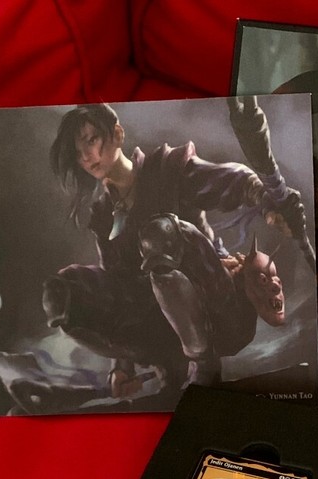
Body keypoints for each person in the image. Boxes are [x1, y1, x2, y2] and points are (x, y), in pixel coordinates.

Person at [49, 103, 290, 390]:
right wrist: (121, 367)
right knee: (61, 292)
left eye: (91, 140)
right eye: (78, 153)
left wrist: (266, 200)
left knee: (159, 232)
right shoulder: (104, 215)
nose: (86, 157)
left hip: (219, 313)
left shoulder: (166, 169)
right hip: (160, 334)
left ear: (117, 134)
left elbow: (229, 180)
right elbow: (116, 283)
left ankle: (203, 364)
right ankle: (170, 366)